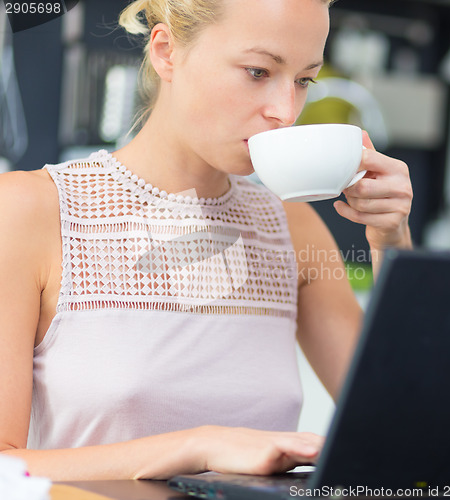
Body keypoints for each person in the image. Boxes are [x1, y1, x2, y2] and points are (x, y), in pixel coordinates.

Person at [0, 0, 413, 481]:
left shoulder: (292, 227)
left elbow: (404, 430)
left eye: (303, 80)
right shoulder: (30, 211)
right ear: (166, 51)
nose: (285, 111)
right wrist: (199, 446)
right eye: (258, 71)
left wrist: (391, 244)